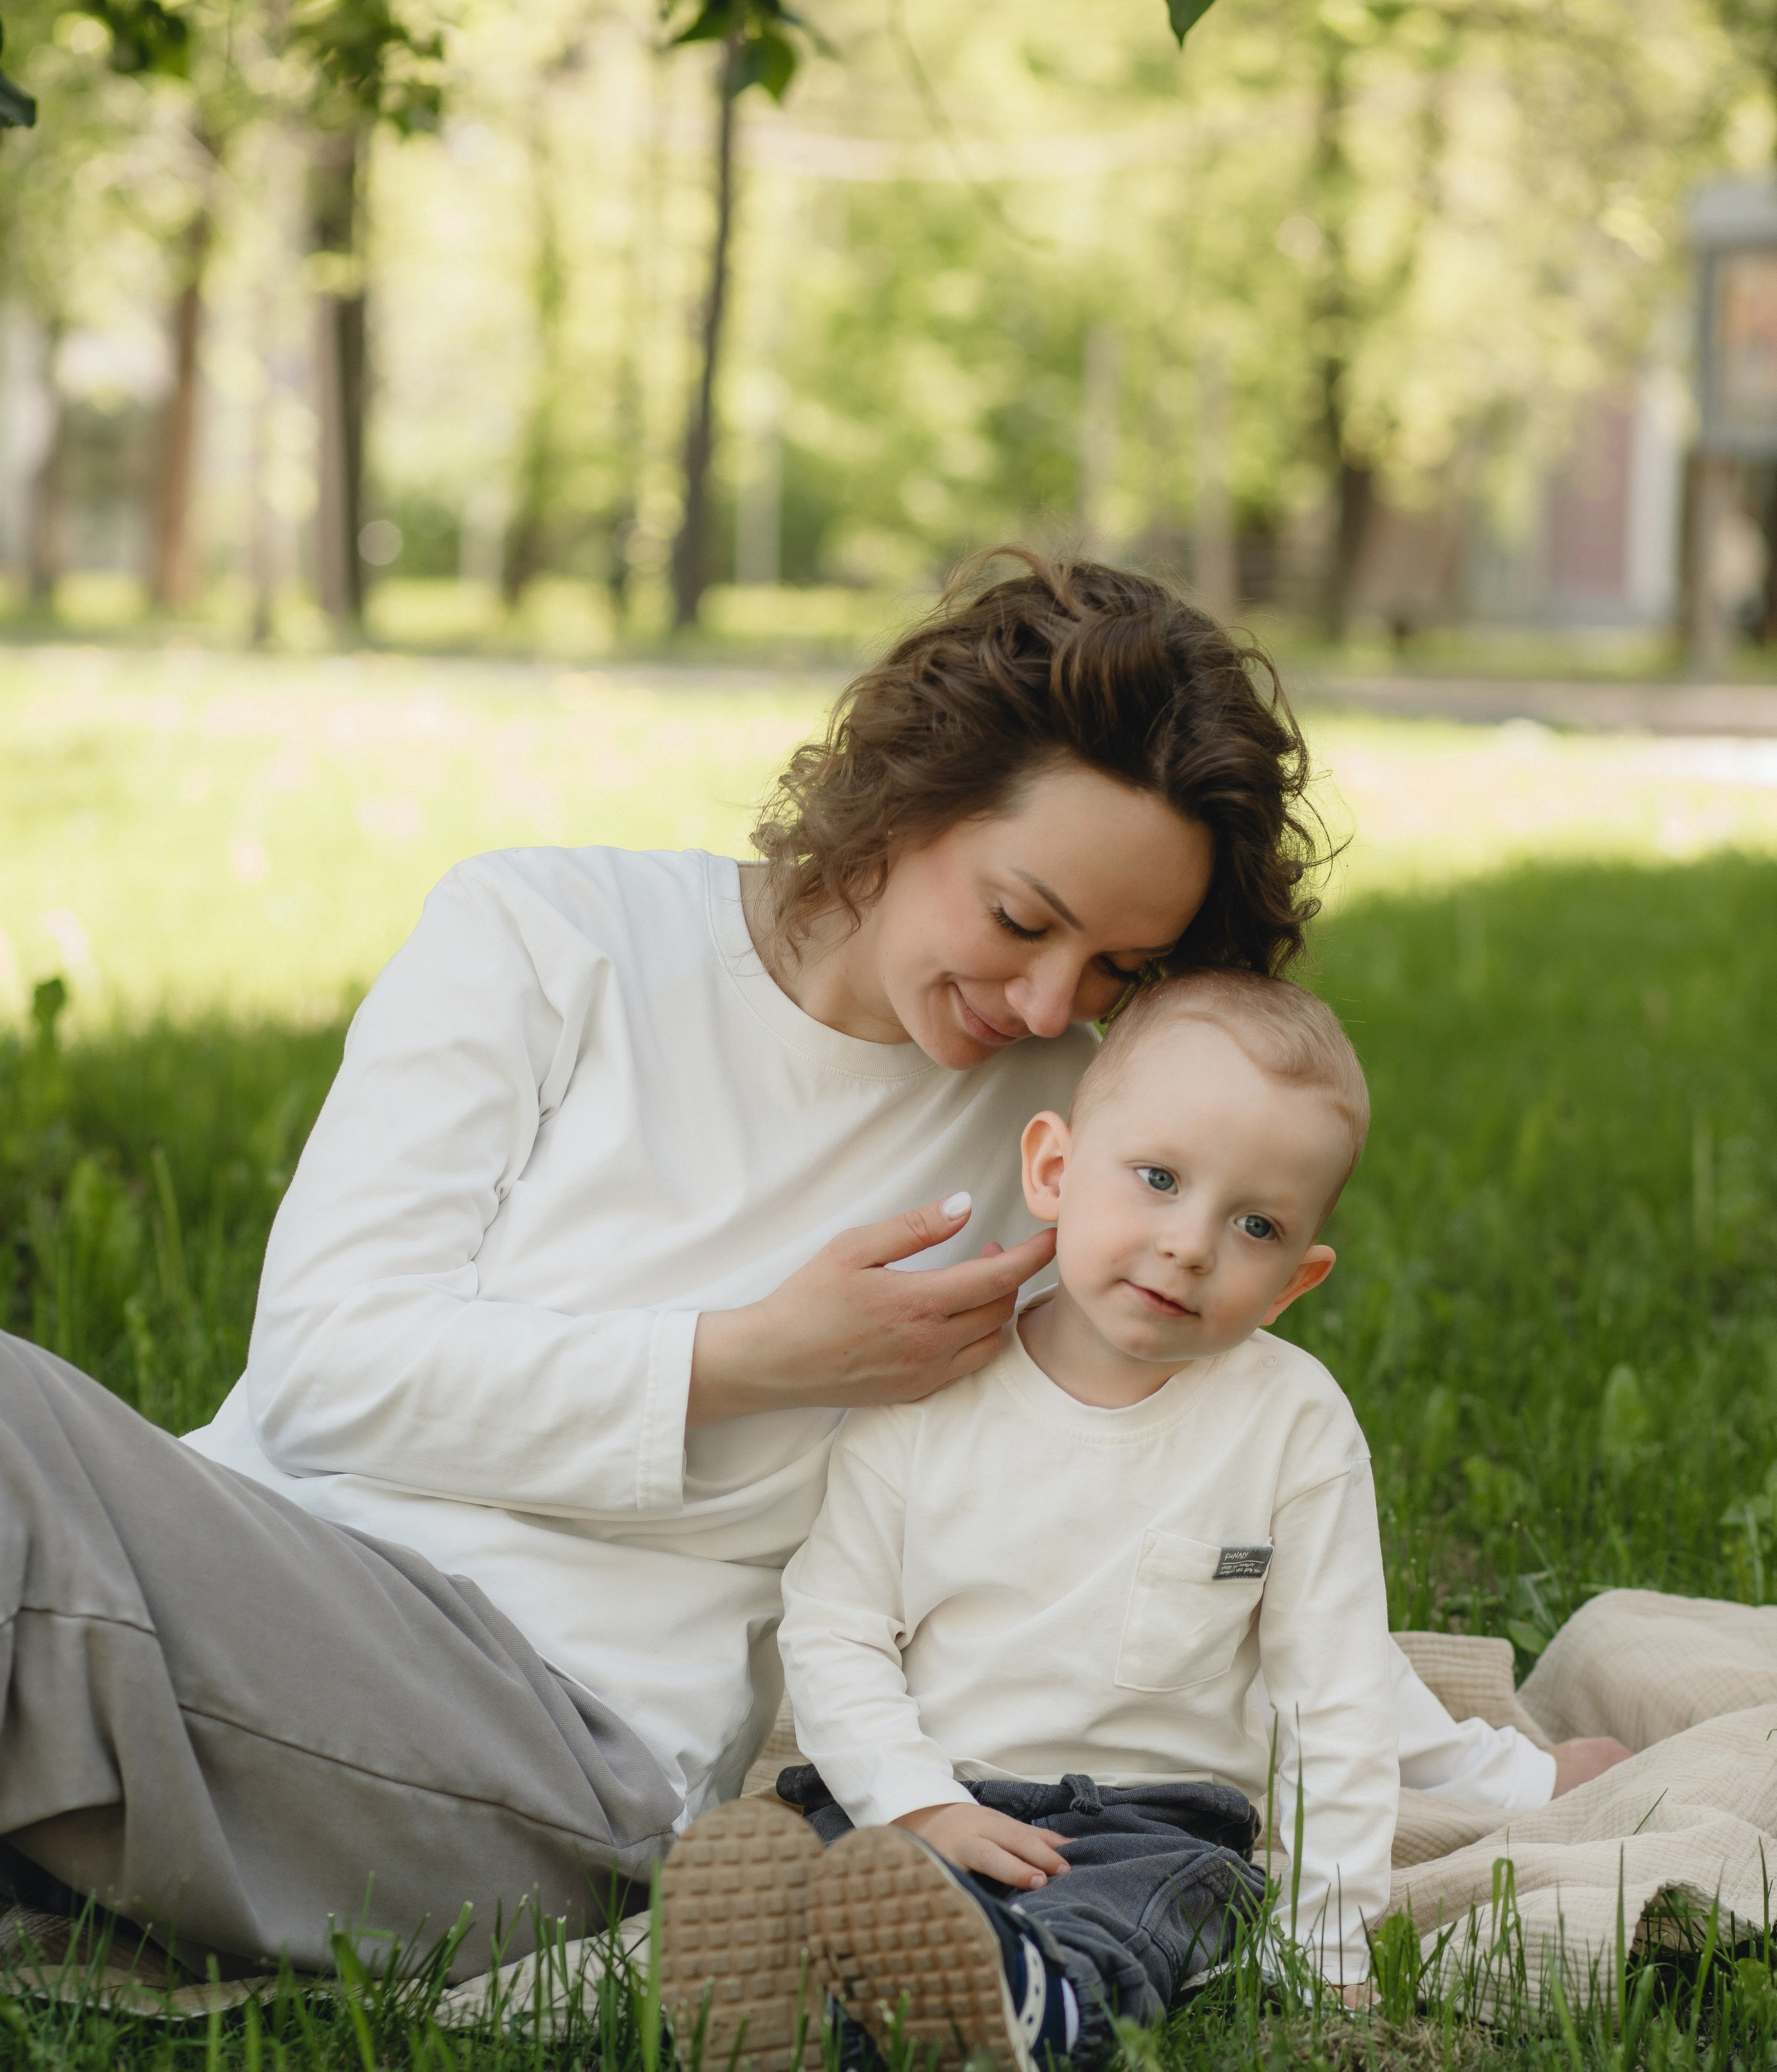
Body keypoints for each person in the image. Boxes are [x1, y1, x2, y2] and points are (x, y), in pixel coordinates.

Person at [0, 549, 1629, 1986]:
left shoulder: (1080, 1157)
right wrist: (753, 1356)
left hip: (552, 1732)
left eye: (1114, 971)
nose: (1048, 1005)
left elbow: (1208, 1522)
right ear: (909, 796)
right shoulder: (545, 934)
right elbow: (321, 1376)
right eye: (1021, 918)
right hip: (240, 1573)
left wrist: (1496, 1778)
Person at [663, 972, 1399, 2072]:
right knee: (818, 1856)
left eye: (1256, 1226)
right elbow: (839, 1628)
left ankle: (1026, 2003)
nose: (1189, 1245)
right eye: (1159, 1179)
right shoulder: (933, 1384)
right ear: (1054, 1168)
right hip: (920, 1793)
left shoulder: (1293, 1426)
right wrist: (918, 1804)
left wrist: (1329, 1941)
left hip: (1146, 1824)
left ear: (1295, 1280)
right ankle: (811, 2012)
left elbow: (1337, 1699)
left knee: (1127, 1917)